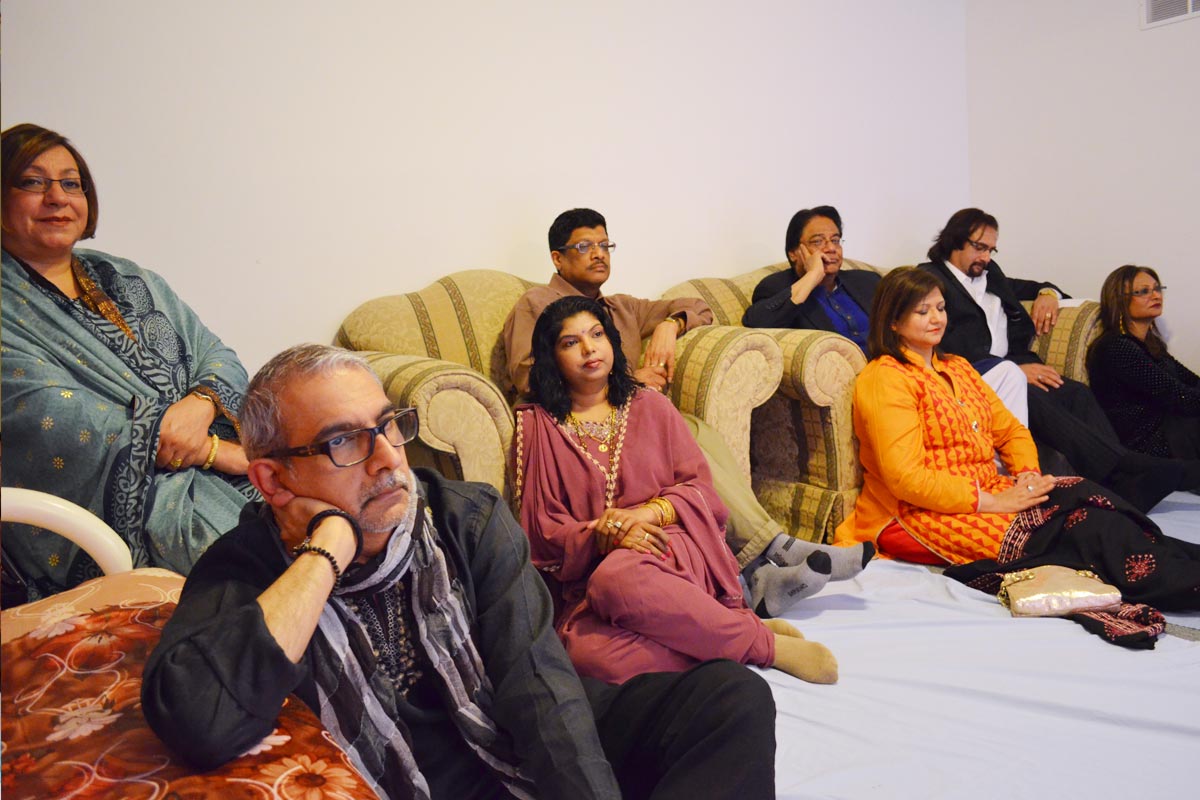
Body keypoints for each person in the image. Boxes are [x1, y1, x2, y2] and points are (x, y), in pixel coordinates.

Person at [143, 344, 780, 800]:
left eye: (387, 426)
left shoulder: (464, 517)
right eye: (344, 442)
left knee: (730, 699)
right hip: (418, 780)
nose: (388, 459)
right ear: (273, 480)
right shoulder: (244, 569)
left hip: (512, 737)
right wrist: (327, 549)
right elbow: (198, 721)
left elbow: (537, 686)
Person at [503, 208, 872, 618]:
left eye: (605, 244)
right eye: (585, 246)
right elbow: (529, 376)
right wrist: (625, 379)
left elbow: (698, 307)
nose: (598, 253)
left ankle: (757, 566)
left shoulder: (622, 308)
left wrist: (670, 324)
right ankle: (769, 557)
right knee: (685, 436)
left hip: (632, 417)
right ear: (557, 258)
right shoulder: (536, 304)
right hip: (578, 423)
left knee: (699, 435)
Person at [835, 268, 1200, 646]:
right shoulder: (886, 378)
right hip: (917, 512)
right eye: (922, 311)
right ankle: (1184, 585)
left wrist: (1026, 474)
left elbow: (1010, 430)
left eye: (940, 308)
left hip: (989, 489)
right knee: (1087, 534)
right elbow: (905, 478)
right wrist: (992, 502)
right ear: (893, 321)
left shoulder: (957, 367)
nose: (936, 318)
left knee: (1095, 502)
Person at [514, 297, 840, 687]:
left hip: (668, 547)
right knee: (587, 656)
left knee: (616, 579)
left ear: (612, 341)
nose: (589, 349)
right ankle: (734, 631)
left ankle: (764, 647)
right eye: (571, 342)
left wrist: (645, 515)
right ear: (552, 357)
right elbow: (542, 532)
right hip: (590, 571)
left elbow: (700, 490)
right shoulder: (538, 427)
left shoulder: (651, 405)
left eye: (597, 334)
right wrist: (606, 534)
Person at [0, 123, 257, 601]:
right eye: (33, 182)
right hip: (132, 506)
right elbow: (47, 416)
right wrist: (210, 452)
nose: (57, 198)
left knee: (348, 513)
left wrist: (202, 403)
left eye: (71, 183)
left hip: (228, 461)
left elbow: (215, 354)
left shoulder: (123, 275)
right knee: (275, 563)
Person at [916, 208, 1198, 512]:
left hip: (1016, 364)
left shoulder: (990, 275)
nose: (985, 257)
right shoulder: (929, 279)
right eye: (979, 247)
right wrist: (1013, 369)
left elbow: (1034, 286)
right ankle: (1126, 467)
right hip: (975, 374)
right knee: (1033, 396)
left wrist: (1047, 293)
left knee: (1076, 393)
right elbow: (940, 341)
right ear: (954, 240)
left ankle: (1117, 483)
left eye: (991, 250)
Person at [745, 205, 1028, 425]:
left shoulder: (866, 281)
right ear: (795, 253)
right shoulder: (778, 288)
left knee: (1008, 373)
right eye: (818, 241)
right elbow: (756, 324)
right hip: (882, 384)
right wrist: (812, 277)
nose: (831, 248)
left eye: (836, 240)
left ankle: (1007, 470)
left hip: (919, 371)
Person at [1087, 265, 1200, 461]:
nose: (1156, 296)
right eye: (1144, 291)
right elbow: (1182, 398)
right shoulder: (1116, 347)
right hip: (1147, 444)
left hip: (1171, 428)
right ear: (1120, 300)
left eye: (1157, 289)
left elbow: (1191, 381)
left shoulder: (1152, 344)